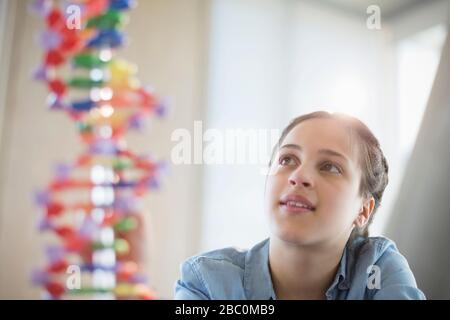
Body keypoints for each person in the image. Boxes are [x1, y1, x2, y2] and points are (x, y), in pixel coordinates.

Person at [174, 111, 425, 300]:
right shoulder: (206, 282)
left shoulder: (379, 269)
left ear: (363, 210)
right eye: (287, 159)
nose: (299, 176)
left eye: (330, 167)